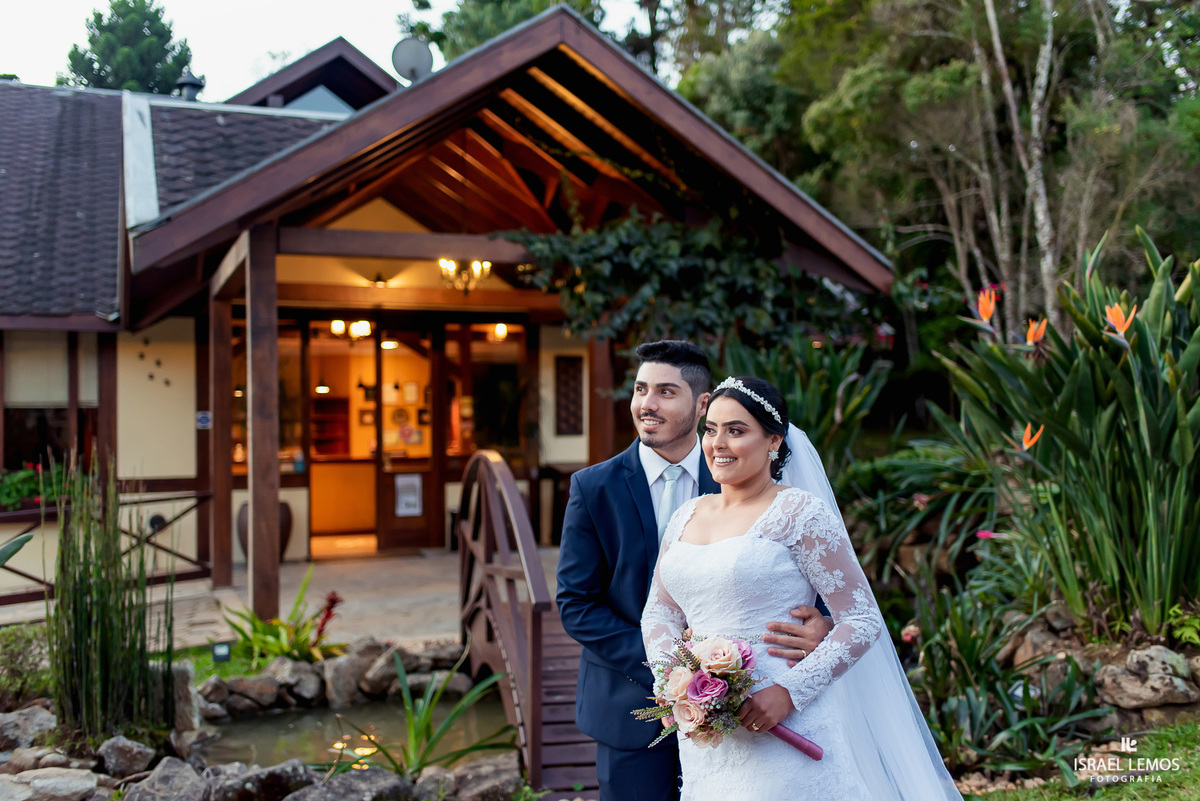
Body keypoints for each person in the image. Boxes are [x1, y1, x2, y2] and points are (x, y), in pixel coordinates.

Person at [641, 375, 964, 800]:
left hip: (785, 715)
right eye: (711, 429)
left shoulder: (798, 512)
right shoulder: (686, 515)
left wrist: (789, 693)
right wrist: (676, 680)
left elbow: (862, 619)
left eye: (736, 431)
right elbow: (659, 612)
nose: (717, 442)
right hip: (707, 726)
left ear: (773, 441)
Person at [556, 342, 834, 801]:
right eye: (641, 389)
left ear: (702, 403)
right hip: (630, 706)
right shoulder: (593, 487)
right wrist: (682, 673)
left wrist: (820, 622)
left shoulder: (744, 472)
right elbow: (576, 604)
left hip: (749, 708)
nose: (647, 404)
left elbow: (800, 567)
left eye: (666, 391)